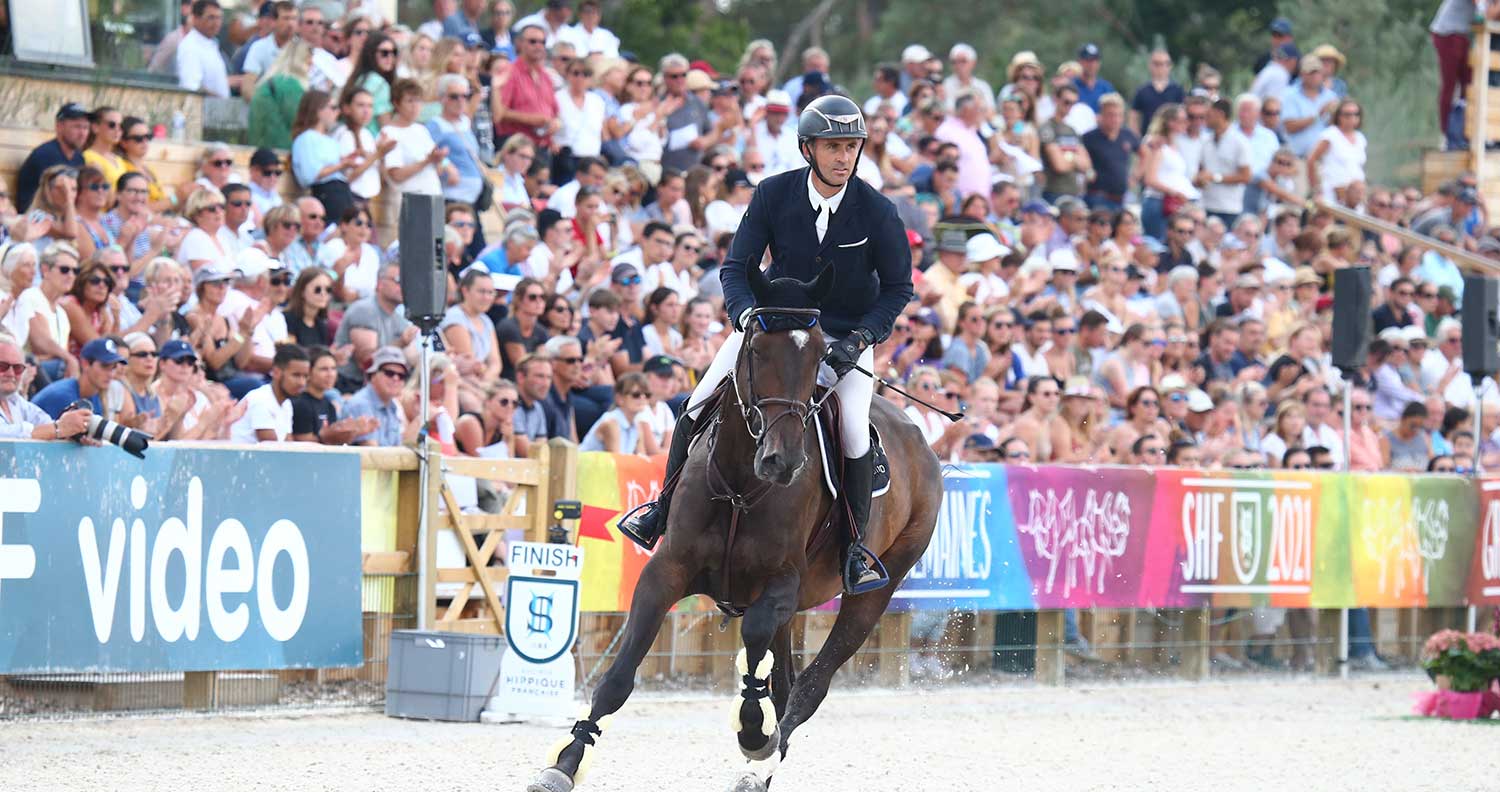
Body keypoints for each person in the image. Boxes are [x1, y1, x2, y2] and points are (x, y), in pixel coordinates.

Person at [620, 95, 911, 595]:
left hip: (843, 338)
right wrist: (743, 314)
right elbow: (736, 267)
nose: (844, 156)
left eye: (851, 146)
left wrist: (862, 338)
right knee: (695, 403)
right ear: (807, 149)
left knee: (855, 431)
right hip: (771, 331)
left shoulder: (877, 211)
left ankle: (856, 548)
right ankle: (661, 510)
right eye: (832, 146)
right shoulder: (773, 194)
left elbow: (898, 288)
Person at [334, 263, 418, 392]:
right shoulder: (364, 310)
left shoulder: (400, 320)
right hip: (351, 386)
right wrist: (400, 343)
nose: (404, 287)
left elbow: (412, 360)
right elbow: (367, 362)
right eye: (398, 281)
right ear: (379, 284)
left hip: (383, 388)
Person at [32, 337, 138, 426]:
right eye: (105, 366)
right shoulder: (63, 395)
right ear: (85, 364)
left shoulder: (94, 395)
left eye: (113, 367)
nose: (111, 374)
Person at [0, 336, 92, 439]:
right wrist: (59, 428)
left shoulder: (15, 400)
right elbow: (7, 434)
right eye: (2, 366)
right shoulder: (63, 393)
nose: (11, 373)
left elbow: (45, 423)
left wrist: (75, 433)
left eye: (17, 368)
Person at [15, 103, 89, 214]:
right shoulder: (45, 155)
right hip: (38, 217)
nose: (82, 133)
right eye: (77, 127)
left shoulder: (79, 157)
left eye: (86, 128)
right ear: (59, 127)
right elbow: (47, 202)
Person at [228, 343, 309, 443]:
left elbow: (288, 443)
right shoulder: (261, 400)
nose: (302, 383)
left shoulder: (286, 404)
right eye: (296, 375)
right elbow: (272, 450)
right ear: (276, 372)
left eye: (305, 376)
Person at [342, 346, 417, 446]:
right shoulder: (360, 404)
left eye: (401, 376)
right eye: (389, 373)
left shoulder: (392, 406)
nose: (396, 378)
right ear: (373, 375)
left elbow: (398, 447)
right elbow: (371, 452)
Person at [176, 0, 236, 99]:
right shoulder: (190, 47)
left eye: (219, 18)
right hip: (200, 112)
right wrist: (220, 100)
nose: (217, 23)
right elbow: (192, 88)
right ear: (195, 18)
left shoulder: (210, 43)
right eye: (211, 17)